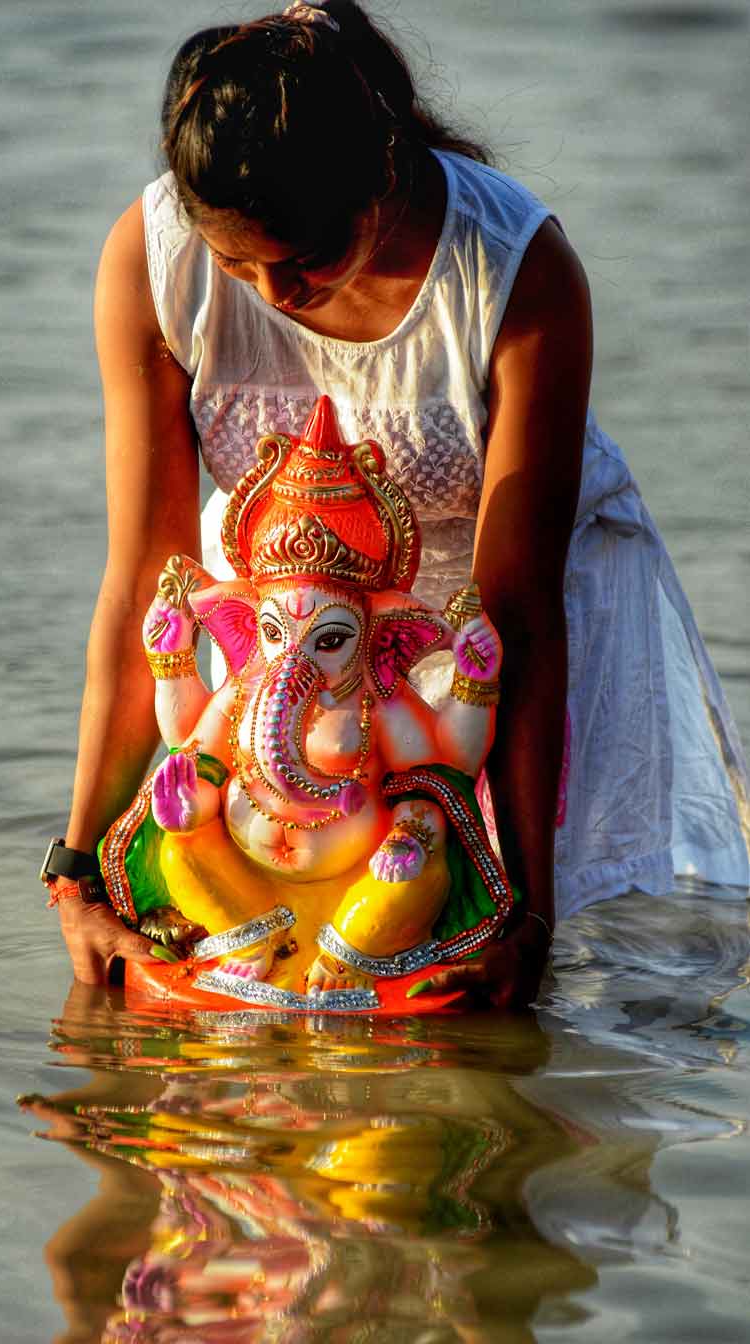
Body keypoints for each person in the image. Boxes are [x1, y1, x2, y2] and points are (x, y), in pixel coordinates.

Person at [40, 0, 750, 1003]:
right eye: (240, 264)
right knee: (242, 991)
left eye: (308, 262)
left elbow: (521, 617)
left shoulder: (513, 273)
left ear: (379, 178)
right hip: (291, 637)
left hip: (486, 651)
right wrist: (80, 872)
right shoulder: (152, 262)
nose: (273, 293)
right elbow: (142, 581)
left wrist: (527, 921)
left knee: (487, 1006)